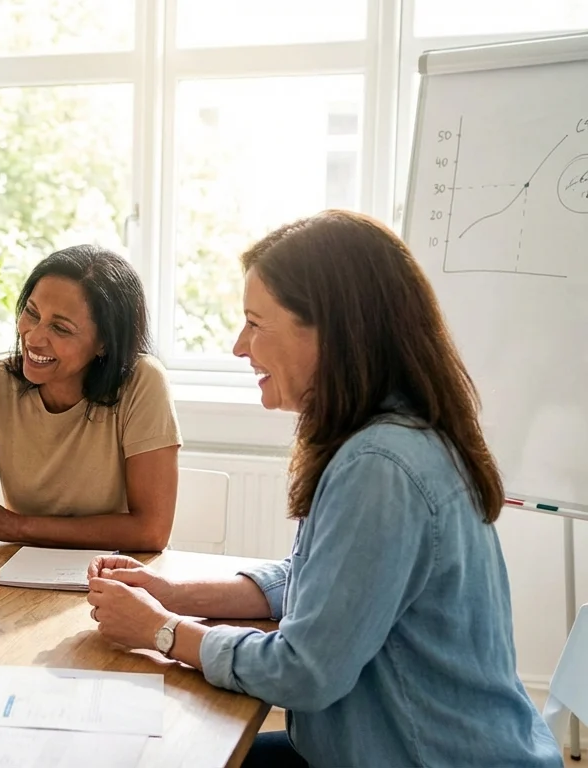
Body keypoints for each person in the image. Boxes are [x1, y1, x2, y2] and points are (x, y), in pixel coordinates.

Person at [84, 210, 561, 767]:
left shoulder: (380, 466)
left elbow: (304, 673)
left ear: (330, 332)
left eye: (255, 323)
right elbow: (314, 579)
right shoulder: (386, 436)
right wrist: (171, 594)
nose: (239, 346)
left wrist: (161, 632)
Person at [0, 245, 182, 584]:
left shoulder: (143, 382)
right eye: (32, 313)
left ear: (104, 343)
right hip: (23, 579)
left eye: (60, 328)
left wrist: (16, 526)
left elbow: (151, 531)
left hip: (120, 580)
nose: (34, 337)